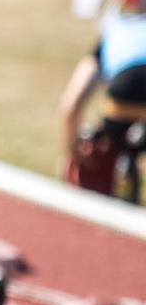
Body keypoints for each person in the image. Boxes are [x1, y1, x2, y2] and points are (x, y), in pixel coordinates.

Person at [59, 12, 146, 195]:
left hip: (123, 93)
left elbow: (70, 104)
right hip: (127, 94)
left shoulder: (114, 31)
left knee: (106, 144)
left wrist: (72, 151)